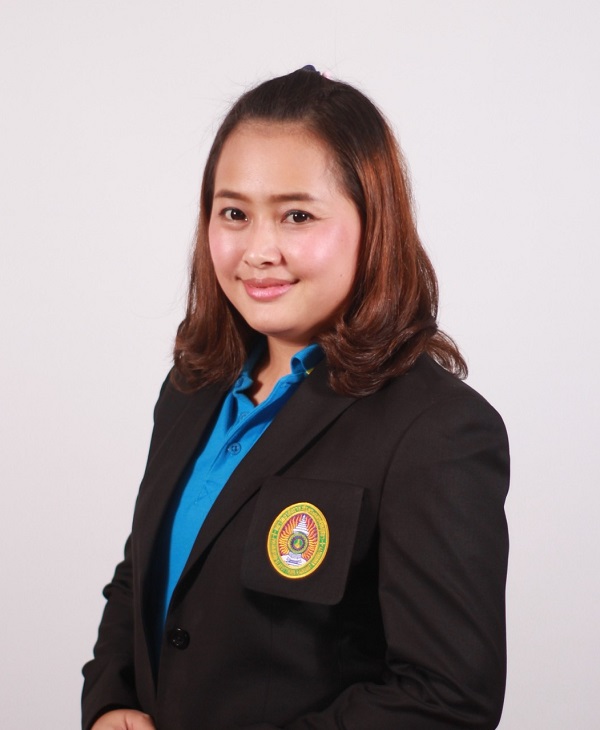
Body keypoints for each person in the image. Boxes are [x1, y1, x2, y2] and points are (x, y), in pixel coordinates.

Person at [82, 66, 510, 730]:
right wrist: (111, 702)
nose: (258, 250)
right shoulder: (192, 388)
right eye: (234, 213)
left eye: (298, 216)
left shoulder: (436, 431)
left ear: (373, 224)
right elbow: (146, 570)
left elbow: (445, 698)